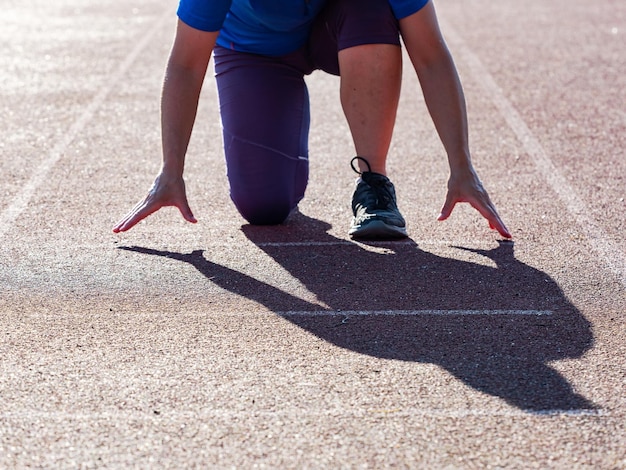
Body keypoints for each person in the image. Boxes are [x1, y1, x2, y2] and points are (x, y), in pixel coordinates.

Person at [113, 0, 512, 240]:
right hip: (256, 51)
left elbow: (430, 54)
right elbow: (185, 64)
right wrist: (171, 171)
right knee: (263, 207)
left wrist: (462, 167)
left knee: (371, 7)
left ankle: (374, 185)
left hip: (338, 26)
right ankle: (281, 123)